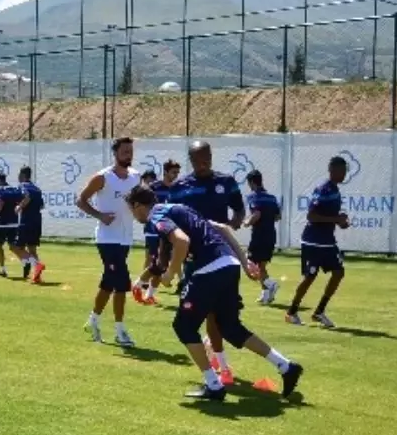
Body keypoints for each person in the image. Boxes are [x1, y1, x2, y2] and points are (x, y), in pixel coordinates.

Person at [127, 185, 304, 401]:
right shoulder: (180, 209)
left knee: (184, 326)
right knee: (230, 327)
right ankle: (286, 366)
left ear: (137, 205)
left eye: (131, 210)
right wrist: (244, 262)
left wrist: (171, 273)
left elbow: (182, 241)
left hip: (209, 269)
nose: (133, 216)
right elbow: (222, 229)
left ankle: (214, 385)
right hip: (228, 264)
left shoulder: (157, 216)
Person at [168, 141, 245, 384]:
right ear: (190, 160)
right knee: (203, 313)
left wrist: (230, 227)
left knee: (219, 314)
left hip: (220, 255)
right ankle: (220, 364)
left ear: (211, 156)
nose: (203, 163)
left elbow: (239, 210)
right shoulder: (180, 187)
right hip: (194, 259)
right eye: (197, 159)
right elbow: (171, 222)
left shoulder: (226, 182)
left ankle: (221, 365)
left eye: (206, 158)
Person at [77, 136, 140, 346]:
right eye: (125, 151)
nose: (128, 155)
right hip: (107, 239)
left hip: (125, 238)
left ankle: (93, 321)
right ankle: (120, 331)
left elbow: (138, 203)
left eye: (131, 151)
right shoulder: (102, 177)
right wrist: (100, 215)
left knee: (109, 282)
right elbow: (81, 200)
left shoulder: (136, 177)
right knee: (122, 283)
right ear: (115, 153)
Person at [286, 156, 350, 328]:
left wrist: (340, 221)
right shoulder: (323, 189)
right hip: (313, 241)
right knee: (310, 277)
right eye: (342, 170)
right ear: (332, 170)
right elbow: (311, 216)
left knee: (338, 273)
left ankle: (319, 312)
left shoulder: (335, 190)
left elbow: (330, 217)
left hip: (327, 242)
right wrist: (336, 219)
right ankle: (291, 312)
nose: (344, 174)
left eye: (345, 170)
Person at [134, 158, 182, 304]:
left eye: (177, 173)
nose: (176, 175)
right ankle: (138, 286)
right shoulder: (153, 188)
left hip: (169, 230)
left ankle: (148, 294)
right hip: (153, 230)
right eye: (173, 172)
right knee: (155, 261)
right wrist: (145, 219)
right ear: (165, 172)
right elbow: (138, 203)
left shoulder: (178, 188)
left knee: (162, 263)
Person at [244, 169, 282, 304]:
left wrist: (247, 222)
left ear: (251, 182)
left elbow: (257, 214)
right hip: (271, 234)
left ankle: (271, 284)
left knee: (249, 263)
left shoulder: (253, 197)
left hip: (259, 235)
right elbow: (278, 216)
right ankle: (266, 295)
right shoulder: (272, 198)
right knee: (261, 266)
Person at [0, 172, 29, 277]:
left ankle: (2, 269)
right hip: (14, 223)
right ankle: (25, 261)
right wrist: (19, 207)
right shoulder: (15, 189)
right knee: (12, 245)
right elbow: (26, 197)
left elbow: (0, 202)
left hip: (3, 223)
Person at [16, 166, 46, 282]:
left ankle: (36, 264)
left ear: (23, 175)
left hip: (26, 221)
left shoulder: (22, 186)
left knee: (18, 247)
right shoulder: (37, 189)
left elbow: (27, 197)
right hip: (37, 221)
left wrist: (19, 207)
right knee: (32, 249)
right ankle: (37, 276)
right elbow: (42, 205)